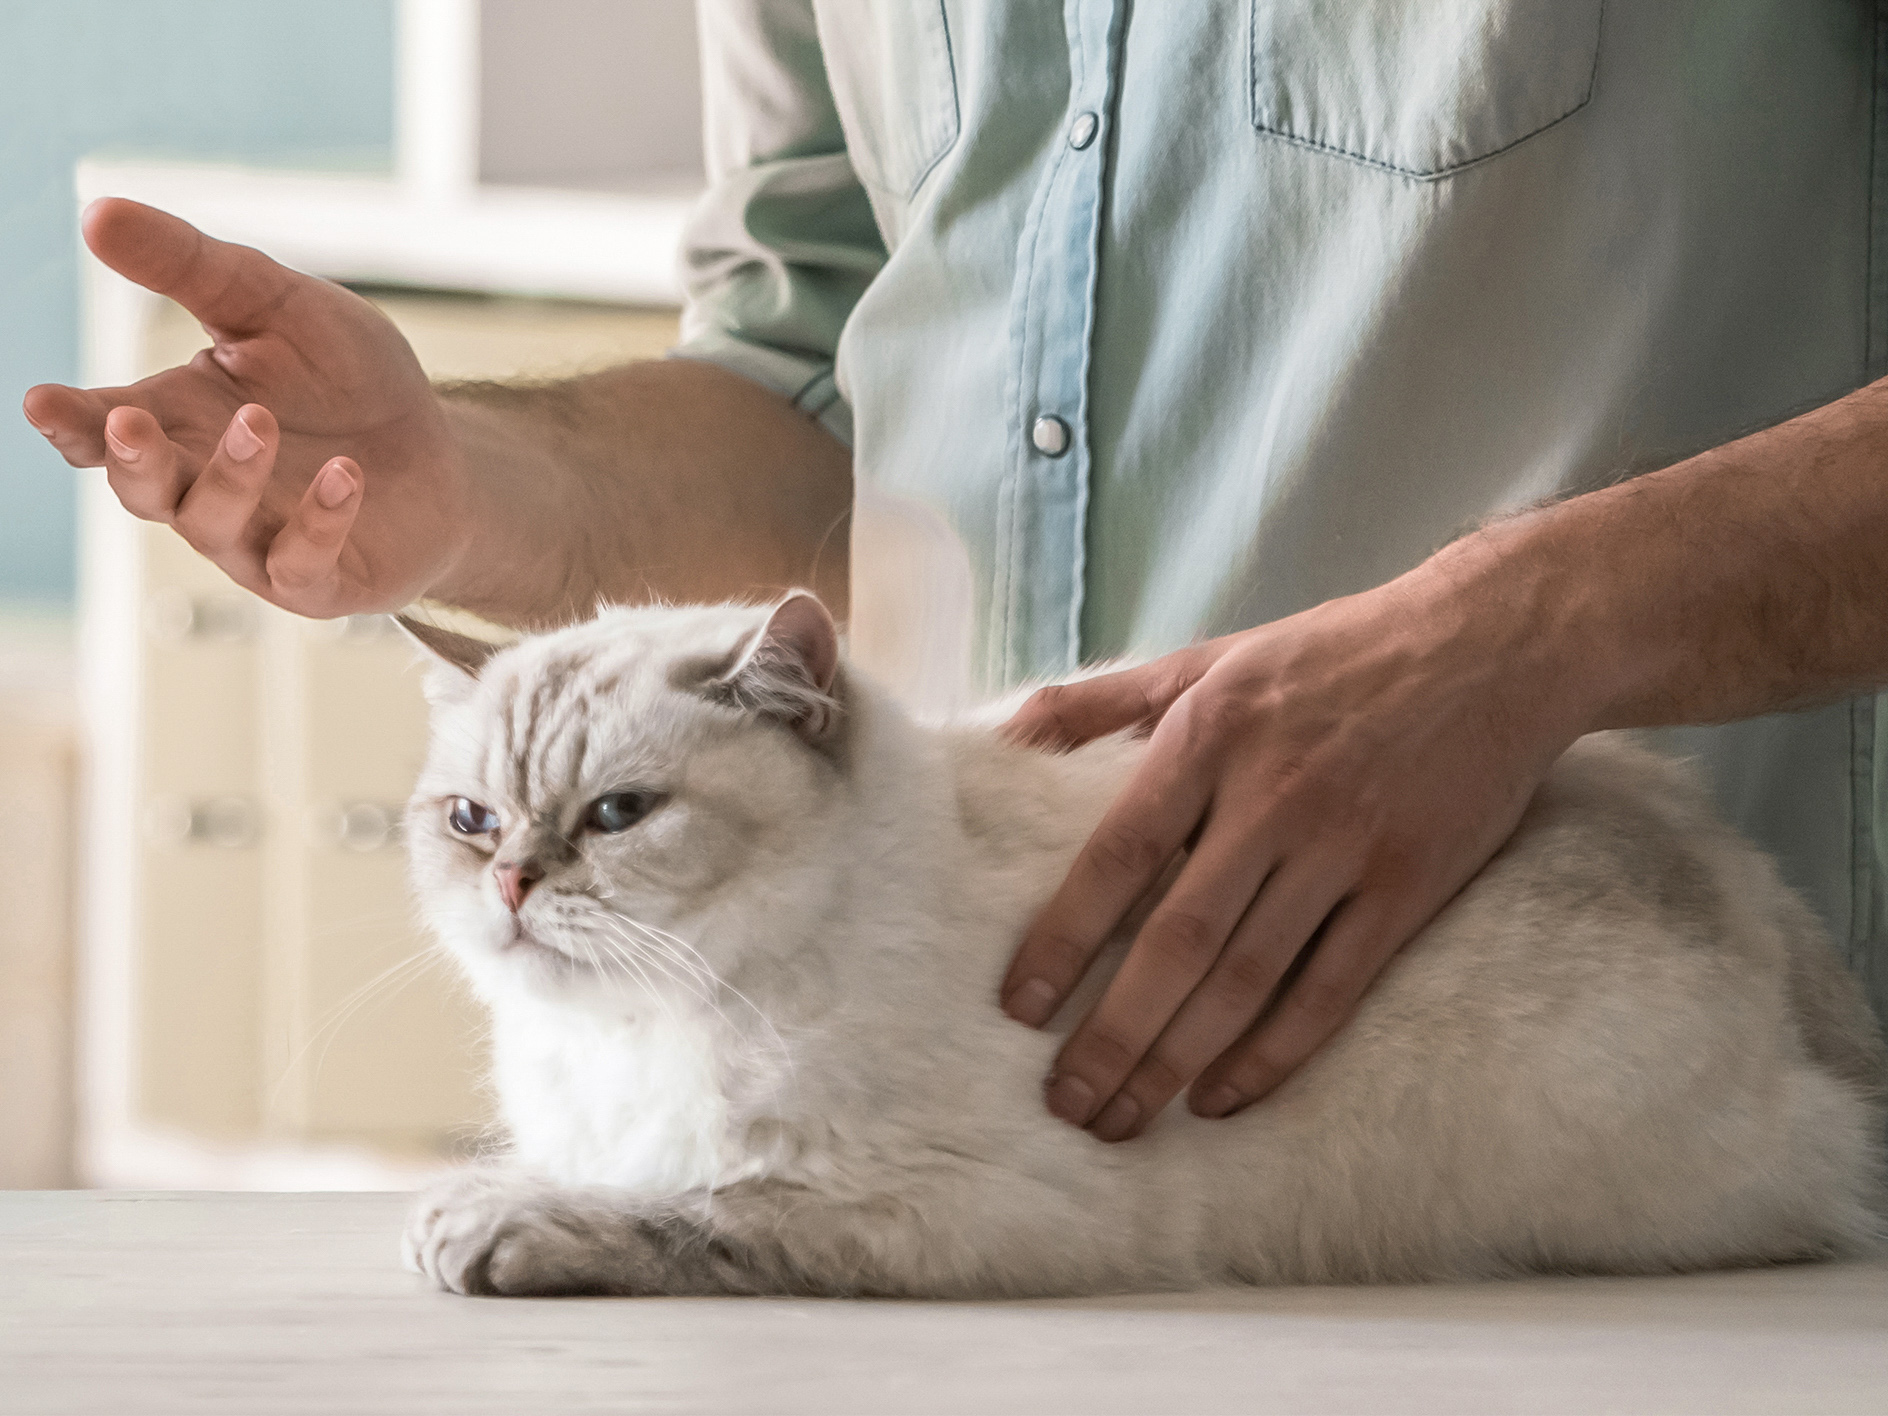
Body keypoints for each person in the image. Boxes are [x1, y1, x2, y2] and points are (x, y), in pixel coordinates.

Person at [24, 4, 1888, 1145]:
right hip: (980, 1151)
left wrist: (1532, 631)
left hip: (1644, 1127)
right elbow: (822, 406)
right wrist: (474, 486)